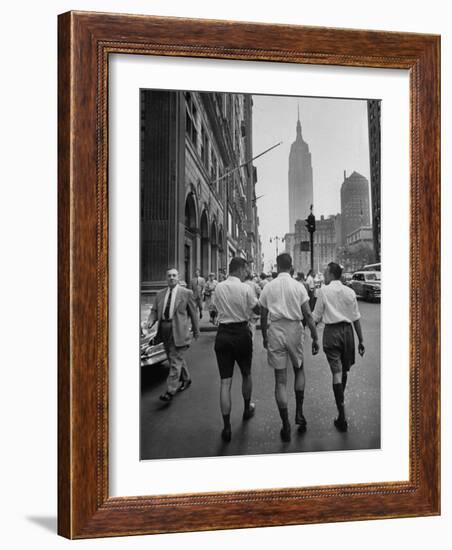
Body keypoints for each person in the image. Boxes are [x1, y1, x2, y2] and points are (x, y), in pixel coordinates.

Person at [260, 253, 319, 442]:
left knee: (280, 380)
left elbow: (262, 315)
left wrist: (264, 336)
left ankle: (285, 424)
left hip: (275, 329)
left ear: (277, 266)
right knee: (299, 369)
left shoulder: (268, 287)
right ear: (290, 266)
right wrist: (315, 337)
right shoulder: (299, 286)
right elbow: (308, 315)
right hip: (294, 329)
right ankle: (299, 413)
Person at [312, 262, 365, 432]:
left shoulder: (323, 291)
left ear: (332, 274)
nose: (324, 276)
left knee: (336, 372)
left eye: (326, 272)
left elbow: (316, 316)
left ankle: (341, 415)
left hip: (332, 333)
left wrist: (310, 333)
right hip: (348, 333)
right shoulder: (350, 292)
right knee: (344, 372)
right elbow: (356, 318)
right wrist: (361, 340)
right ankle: (341, 406)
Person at [212, 257, 260, 442]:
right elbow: (256, 310)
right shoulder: (246, 288)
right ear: (240, 269)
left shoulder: (218, 287)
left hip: (223, 334)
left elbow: (215, 308)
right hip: (241, 333)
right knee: (246, 374)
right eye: (245, 269)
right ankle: (247, 409)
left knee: (225, 382)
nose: (246, 273)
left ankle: (226, 427)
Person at [147, 268, 200, 402]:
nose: (171, 278)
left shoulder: (186, 293)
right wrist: (150, 321)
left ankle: (170, 390)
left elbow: (193, 313)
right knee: (173, 358)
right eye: (169, 275)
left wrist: (196, 330)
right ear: (166, 278)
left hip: (179, 330)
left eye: (174, 275)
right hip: (164, 330)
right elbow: (154, 311)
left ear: (178, 277)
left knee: (175, 360)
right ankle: (186, 379)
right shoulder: (160, 294)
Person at [244, 272, 261, 339]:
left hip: (244, 308)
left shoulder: (241, 284)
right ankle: (251, 341)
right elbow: (260, 293)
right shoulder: (254, 284)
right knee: (252, 326)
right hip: (253, 307)